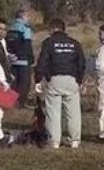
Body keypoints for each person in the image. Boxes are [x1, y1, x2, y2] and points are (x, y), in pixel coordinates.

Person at [34, 19, 86, 149]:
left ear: (52, 29)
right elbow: (81, 63)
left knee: (53, 112)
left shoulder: (49, 43)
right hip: (72, 79)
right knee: (73, 112)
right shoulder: (75, 43)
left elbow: (42, 62)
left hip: (55, 78)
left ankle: (54, 141)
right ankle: (75, 140)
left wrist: (38, 78)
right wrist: (79, 80)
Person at [7, 9, 34, 108]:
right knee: (24, 82)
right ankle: (22, 102)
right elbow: (27, 44)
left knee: (14, 81)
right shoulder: (25, 28)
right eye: (27, 16)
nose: (29, 18)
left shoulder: (10, 28)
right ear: (22, 16)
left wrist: (11, 55)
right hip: (23, 60)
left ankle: (11, 101)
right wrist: (31, 58)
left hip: (12, 60)